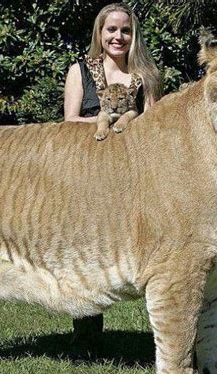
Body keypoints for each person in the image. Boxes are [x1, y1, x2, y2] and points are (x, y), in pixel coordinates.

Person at [63, 2, 162, 347]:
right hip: (85, 169)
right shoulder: (80, 71)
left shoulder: (146, 76)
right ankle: (86, 331)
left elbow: (154, 126)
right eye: (111, 30)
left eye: (125, 30)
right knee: (86, 244)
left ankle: (163, 324)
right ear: (100, 33)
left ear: (133, 35)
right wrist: (105, 120)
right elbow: (69, 122)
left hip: (129, 171)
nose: (118, 36)